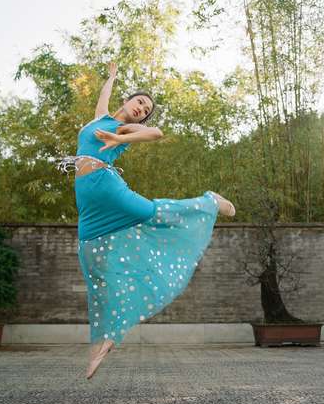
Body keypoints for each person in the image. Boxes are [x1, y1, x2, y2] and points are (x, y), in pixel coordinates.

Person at [57, 62, 236, 380]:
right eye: (139, 102)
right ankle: (106, 340)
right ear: (127, 100)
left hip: (107, 187)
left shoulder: (123, 129)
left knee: (153, 212)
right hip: (87, 201)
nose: (141, 109)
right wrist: (111, 77)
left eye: (146, 110)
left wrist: (119, 138)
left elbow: (156, 133)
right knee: (91, 258)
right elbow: (103, 99)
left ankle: (209, 202)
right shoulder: (101, 118)